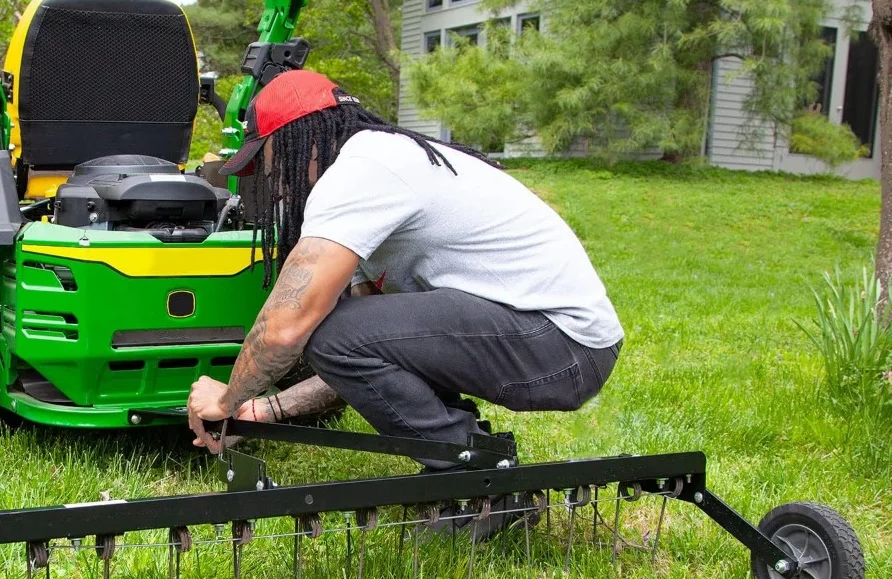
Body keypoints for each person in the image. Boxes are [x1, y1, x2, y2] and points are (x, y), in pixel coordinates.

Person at [187, 70, 623, 489]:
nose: (274, 185)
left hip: (563, 343)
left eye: (271, 164)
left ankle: (474, 477)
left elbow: (286, 330)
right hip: (556, 341)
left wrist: (225, 401)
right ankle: (474, 457)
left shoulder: (364, 169)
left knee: (328, 327)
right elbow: (362, 359)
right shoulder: (378, 176)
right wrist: (261, 411)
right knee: (341, 329)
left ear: (305, 143)